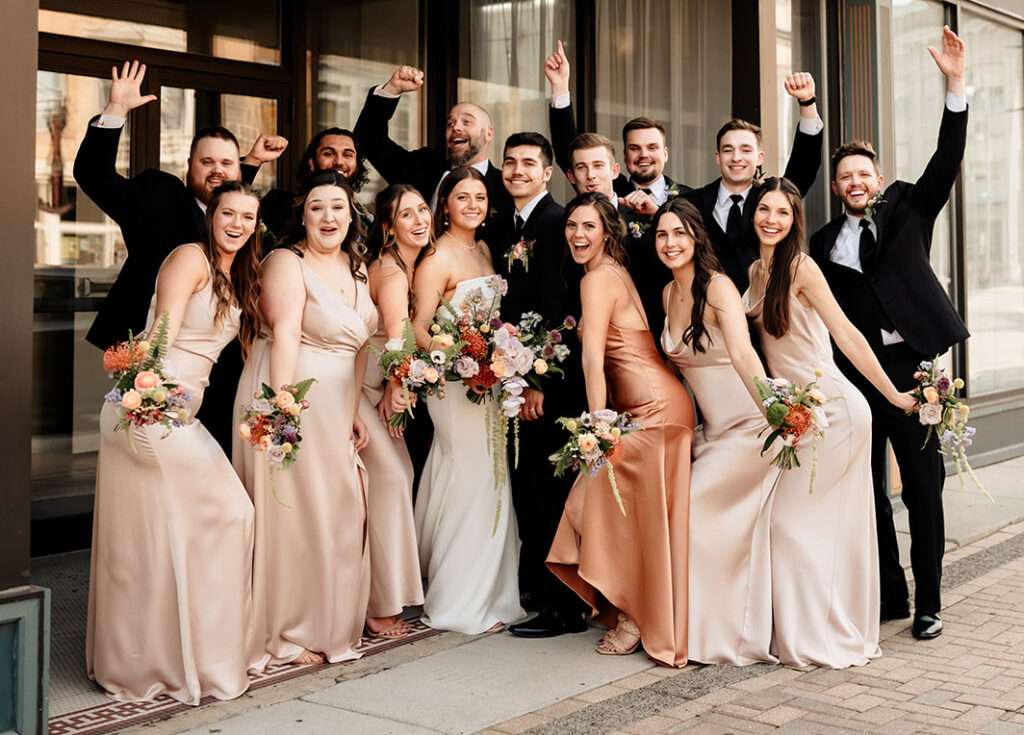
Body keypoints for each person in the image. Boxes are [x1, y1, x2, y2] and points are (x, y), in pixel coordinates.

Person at [809, 26, 969, 641]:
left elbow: (945, 161)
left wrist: (954, 85)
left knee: (923, 491)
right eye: (844, 175)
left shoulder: (907, 208)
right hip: (857, 378)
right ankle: (891, 595)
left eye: (862, 173)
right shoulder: (822, 244)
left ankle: (929, 602)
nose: (854, 182)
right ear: (837, 184)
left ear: (876, 179)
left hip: (916, 373)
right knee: (868, 491)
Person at [87, 181, 263, 704]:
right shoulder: (190, 258)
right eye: (227, 213)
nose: (236, 224)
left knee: (167, 535)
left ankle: (179, 652)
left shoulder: (239, 275)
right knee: (231, 513)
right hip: (148, 407)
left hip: (178, 414)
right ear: (211, 217)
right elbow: (160, 331)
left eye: (247, 217)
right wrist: (147, 392)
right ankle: (170, 658)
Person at [744, 177, 916, 668]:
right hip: (796, 413)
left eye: (782, 212)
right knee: (798, 525)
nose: (771, 219)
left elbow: (848, 336)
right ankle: (804, 626)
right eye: (764, 210)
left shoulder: (801, 268)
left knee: (797, 524)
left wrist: (891, 394)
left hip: (833, 410)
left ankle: (818, 631)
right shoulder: (757, 271)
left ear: (794, 220)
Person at [74, 59, 287, 454]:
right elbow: (95, 176)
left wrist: (251, 163)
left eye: (227, 163)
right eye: (206, 162)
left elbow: (227, 210)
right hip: (150, 366)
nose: (217, 171)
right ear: (188, 165)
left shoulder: (235, 214)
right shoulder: (160, 195)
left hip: (218, 368)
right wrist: (115, 110)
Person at [234, 170, 376, 666]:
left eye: (338, 206)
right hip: (291, 398)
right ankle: (288, 629)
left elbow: (360, 347)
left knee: (338, 510)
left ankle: (327, 621)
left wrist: (354, 410)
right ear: (303, 215)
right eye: (317, 207)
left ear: (352, 215)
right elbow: (286, 334)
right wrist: (282, 408)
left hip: (337, 406)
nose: (329, 216)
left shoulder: (359, 269)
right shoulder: (285, 262)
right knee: (294, 512)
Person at [547, 192, 695, 666]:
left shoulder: (599, 279)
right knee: (624, 510)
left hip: (654, 411)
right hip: (653, 408)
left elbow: (593, 358)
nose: (577, 235)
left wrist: (597, 425)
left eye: (588, 226)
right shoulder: (608, 274)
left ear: (608, 232)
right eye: (572, 226)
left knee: (599, 497)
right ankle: (633, 607)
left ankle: (633, 616)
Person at [654, 197, 780, 665]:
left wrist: (774, 411)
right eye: (662, 235)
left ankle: (720, 635)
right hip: (711, 434)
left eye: (679, 234)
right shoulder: (668, 294)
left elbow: (745, 356)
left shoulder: (720, 287)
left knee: (693, 511)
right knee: (681, 516)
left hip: (751, 429)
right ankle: (694, 627)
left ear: (696, 237)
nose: (670, 243)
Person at [410, 167, 524, 634]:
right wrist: (454, 359)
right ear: (445, 204)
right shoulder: (435, 256)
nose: (473, 205)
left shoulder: (482, 248)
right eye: (463, 197)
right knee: (467, 475)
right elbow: (418, 324)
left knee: (492, 479)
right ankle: (459, 599)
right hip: (455, 385)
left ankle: (494, 594)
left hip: (490, 380)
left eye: (479, 197)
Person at [485, 133, 589, 637]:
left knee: (548, 494)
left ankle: (563, 608)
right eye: (510, 163)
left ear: (548, 172)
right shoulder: (505, 224)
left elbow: (562, 309)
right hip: (512, 379)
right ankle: (538, 592)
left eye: (529, 163)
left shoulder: (554, 224)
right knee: (529, 490)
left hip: (547, 385)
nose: (517, 170)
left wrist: (536, 381)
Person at [359, 184, 431, 638]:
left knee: (395, 476)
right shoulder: (391, 272)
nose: (420, 220)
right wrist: (395, 385)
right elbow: (396, 335)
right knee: (389, 478)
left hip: (374, 384)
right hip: (362, 389)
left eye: (423, 210)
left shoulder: (408, 266)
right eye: (407, 215)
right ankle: (377, 602)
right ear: (389, 227)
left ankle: (383, 591)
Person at [683, 77, 823, 293]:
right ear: (718, 157)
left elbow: (803, 167)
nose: (736, 157)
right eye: (728, 150)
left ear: (760, 157)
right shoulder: (691, 204)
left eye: (746, 150)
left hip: (769, 315)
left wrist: (807, 103)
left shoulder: (771, 197)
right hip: (710, 316)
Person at [544, 40, 689, 209]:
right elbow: (568, 150)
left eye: (652, 147)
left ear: (665, 154)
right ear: (624, 155)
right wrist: (560, 87)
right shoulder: (608, 186)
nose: (643, 154)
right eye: (634, 148)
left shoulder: (691, 198)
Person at [354, 65, 512, 219]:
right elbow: (369, 139)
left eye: (466, 122)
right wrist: (392, 89)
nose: (456, 127)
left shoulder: (507, 187)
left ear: (489, 134)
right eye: (450, 123)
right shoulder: (424, 166)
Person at [561, 132, 668, 338]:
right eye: (581, 167)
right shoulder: (565, 223)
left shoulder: (645, 214)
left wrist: (657, 215)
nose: (591, 175)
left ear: (615, 171)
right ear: (571, 176)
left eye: (598, 165)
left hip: (643, 337)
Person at [259, 127, 371, 244]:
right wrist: (254, 160)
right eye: (328, 154)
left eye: (348, 155)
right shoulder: (277, 204)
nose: (339, 162)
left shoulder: (367, 221)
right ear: (311, 163)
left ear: (357, 165)